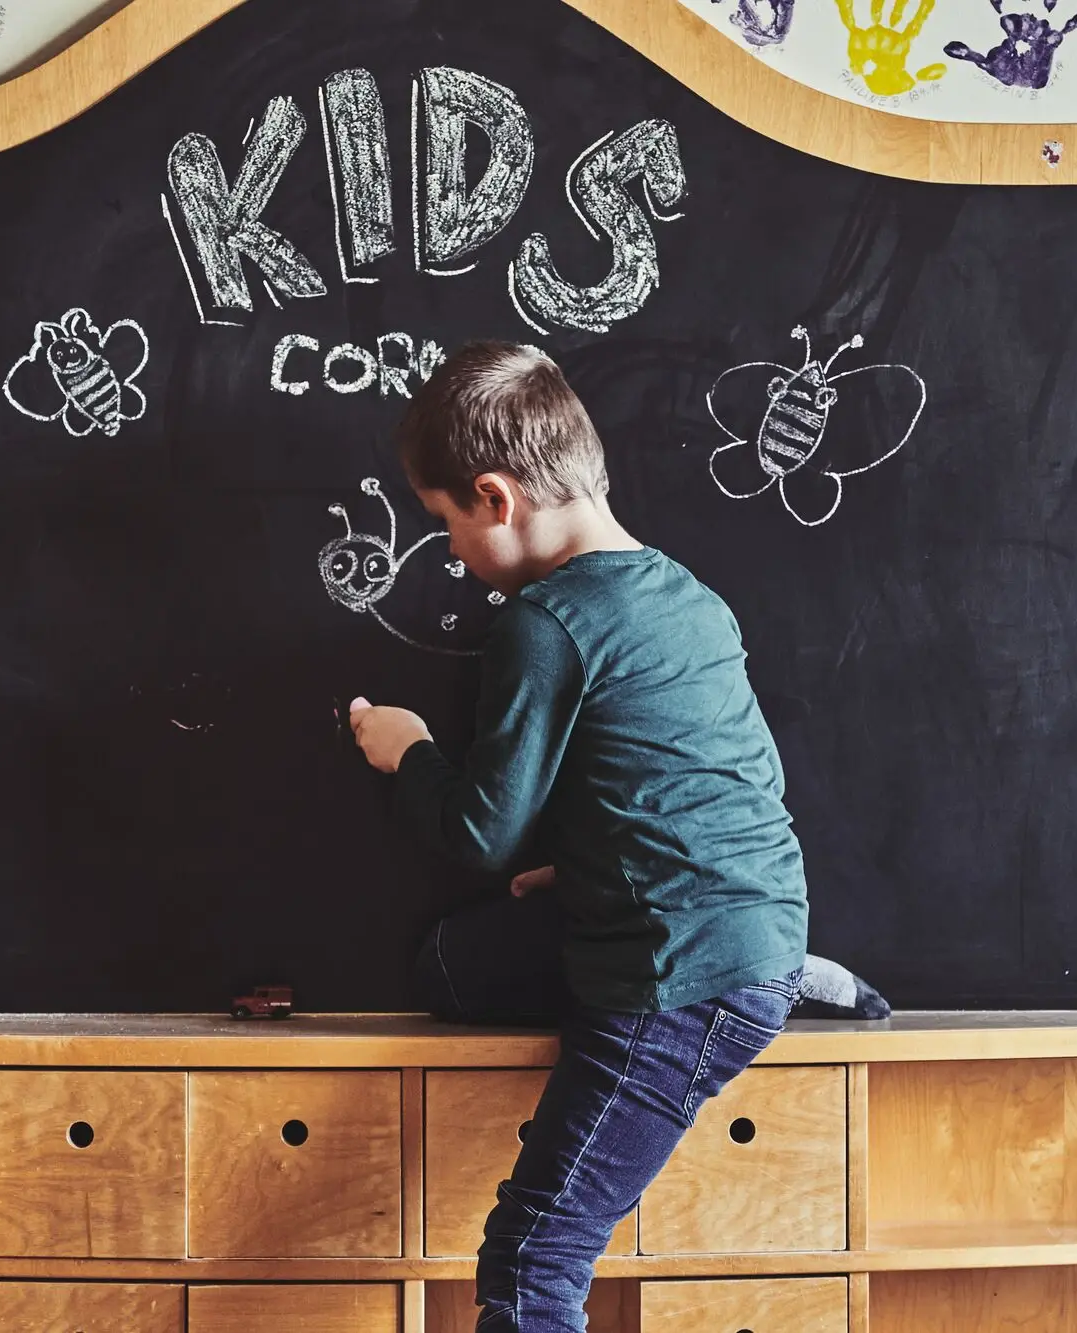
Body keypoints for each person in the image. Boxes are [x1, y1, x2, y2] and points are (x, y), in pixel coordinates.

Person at [347, 341, 811, 1332]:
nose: (452, 554)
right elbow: (730, 778)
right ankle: (812, 973)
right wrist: (598, 852)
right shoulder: (688, 596)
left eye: (445, 526)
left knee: (531, 1256)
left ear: (494, 496)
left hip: (676, 977)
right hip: (756, 924)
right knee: (457, 966)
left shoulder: (543, 622)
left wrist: (410, 751)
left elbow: (479, 829)